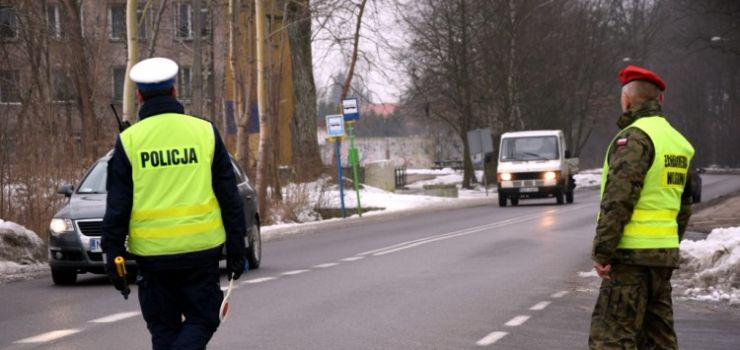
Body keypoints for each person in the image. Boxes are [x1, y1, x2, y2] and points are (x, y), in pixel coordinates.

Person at [102, 57, 247, 350]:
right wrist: (236, 246)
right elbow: (228, 195)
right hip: (201, 252)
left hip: (153, 259)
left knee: (164, 330)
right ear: (174, 90)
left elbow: (117, 206)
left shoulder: (130, 141)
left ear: (140, 95)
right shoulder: (204, 132)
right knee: (204, 319)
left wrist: (113, 256)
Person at [588, 65, 694, 350]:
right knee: (659, 340)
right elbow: (685, 206)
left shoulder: (634, 139)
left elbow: (618, 200)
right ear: (660, 100)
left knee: (612, 340)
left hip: (628, 260)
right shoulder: (678, 143)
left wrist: (603, 252)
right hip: (660, 262)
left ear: (626, 101)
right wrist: (666, 245)